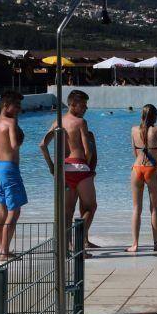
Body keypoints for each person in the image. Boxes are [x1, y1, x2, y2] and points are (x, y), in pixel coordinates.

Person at [39, 90, 98, 250]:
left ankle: (67, 246)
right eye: (83, 105)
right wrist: (88, 166)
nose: (86, 108)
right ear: (73, 104)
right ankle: (80, 236)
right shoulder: (80, 122)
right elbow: (88, 150)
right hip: (79, 166)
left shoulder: (57, 122)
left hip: (63, 169)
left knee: (68, 212)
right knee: (91, 207)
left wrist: (51, 166)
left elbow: (42, 145)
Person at [0, 91, 26, 260]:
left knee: (2, 210)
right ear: (6, 105)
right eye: (16, 106)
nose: (18, 109)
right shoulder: (11, 122)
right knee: (14, 212)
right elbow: (14, 144)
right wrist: (17, 127)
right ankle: (4, 251)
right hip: (10, 169)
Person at [127, 104, 157, 252]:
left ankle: (135, 244)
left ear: (141, 115)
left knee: (136, 208)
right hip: (152, 169)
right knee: (154, 208)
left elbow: (134, 153)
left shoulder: (133, 130)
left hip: (136, 168)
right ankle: (156, 243)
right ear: (155, 116)